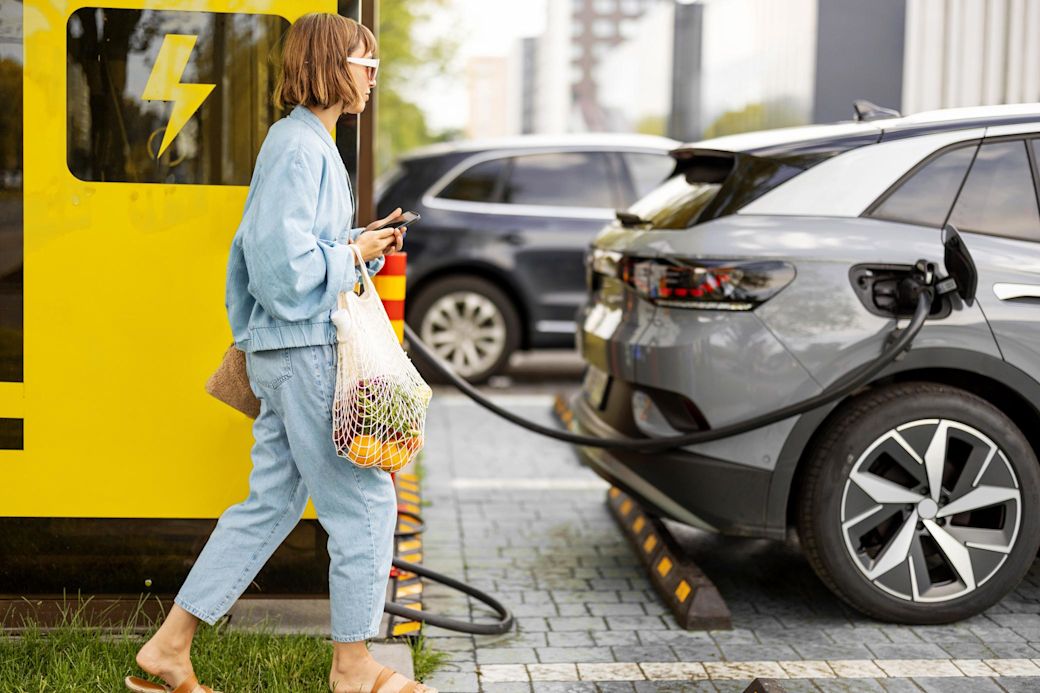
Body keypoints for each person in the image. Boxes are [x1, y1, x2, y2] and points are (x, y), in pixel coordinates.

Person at [124, 13, 435, 693]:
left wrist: (358, 239)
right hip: (304, 352)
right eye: (363, 61)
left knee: (268, 504)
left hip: (289, 351)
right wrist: (350, 252)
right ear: (329, 65)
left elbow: (292, 251)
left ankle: (168, 649)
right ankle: (353, 667)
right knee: (364, 504)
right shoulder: (301, 147)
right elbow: (279, 268)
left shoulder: (306, 142)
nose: (372, 74)